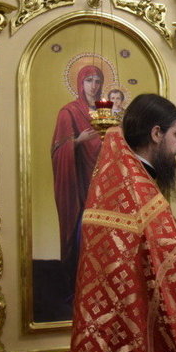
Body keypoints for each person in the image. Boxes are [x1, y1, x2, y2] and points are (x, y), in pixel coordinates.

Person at [68, 94, 176, 352]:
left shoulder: (119, 179)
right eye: (175, 134)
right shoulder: (138, 188)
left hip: (109, 320)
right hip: (129, 322)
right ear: (156, 133)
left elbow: (146, 252)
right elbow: (163, 254)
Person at [51, 65, 103, 297]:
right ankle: (78, 284)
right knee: (81, 228)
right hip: (78, 182)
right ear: (80, 84)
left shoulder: (107, 111)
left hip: (104, 179)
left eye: (98, 80)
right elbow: (57, 150)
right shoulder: (69, 112)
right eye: (89, 80)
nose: (94, 85)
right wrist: (78, 141)